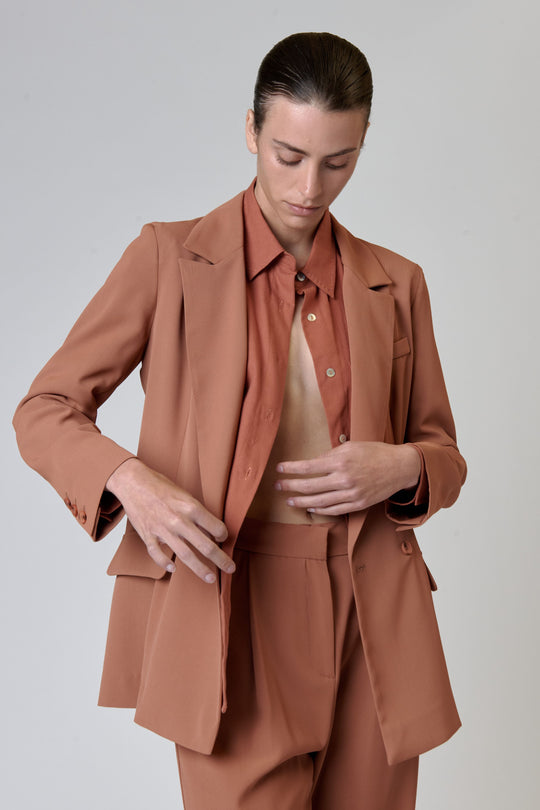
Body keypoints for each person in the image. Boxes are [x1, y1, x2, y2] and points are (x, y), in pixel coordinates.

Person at [13, 31, 466, 810]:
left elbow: (444, 454)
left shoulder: (398, 283)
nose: (310, 187)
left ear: (363, 144)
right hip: (231, 599)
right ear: (251, 131)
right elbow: (44, 409)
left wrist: (403, 466)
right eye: (289, 155)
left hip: (372, 611)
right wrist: (133, 484)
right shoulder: (168, 259)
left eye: (339, 161)